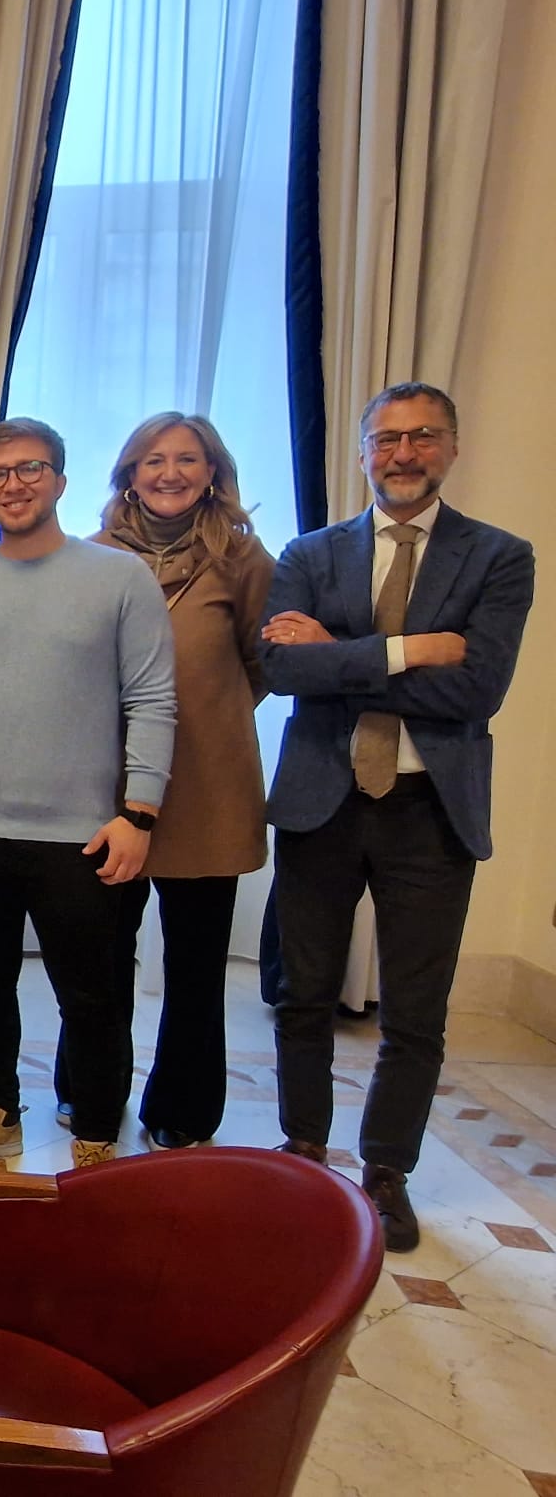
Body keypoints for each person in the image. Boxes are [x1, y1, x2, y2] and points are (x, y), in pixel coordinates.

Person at [262, 382, 534, 1251]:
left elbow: (477, 689)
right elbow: (284, 673)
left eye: (422, 437)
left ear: (451, 447)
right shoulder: (310, 553)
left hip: (431, 809)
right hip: (322, 800)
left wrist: (339, 657)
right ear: (362, 453)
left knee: (415, 1013)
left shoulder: (499, 557)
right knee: (302, 994)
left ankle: (385, 1170)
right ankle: (304, 1151)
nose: (403, 454)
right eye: (386, 439)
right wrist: (414, 650)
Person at [0, 418, 176, 1171]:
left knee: (92, 999)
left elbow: (152, 699)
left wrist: (140, 813)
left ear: (60, 479)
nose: (13, 485)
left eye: (30, 469)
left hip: (83, 838)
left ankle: (96, 1141)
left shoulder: (119, 578)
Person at [61, 414, 275, 1149]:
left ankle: (182, 1109)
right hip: (106, 793)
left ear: (213, 472)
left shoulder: (244, 560)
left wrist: (206, 716)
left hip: (208, 792)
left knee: (194, 966)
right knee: (97, 957)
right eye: (153, 460)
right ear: (129, 474)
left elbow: (262, 668)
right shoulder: (90, 557)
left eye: (187, 459)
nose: (170, 473)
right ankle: (89, 1089)